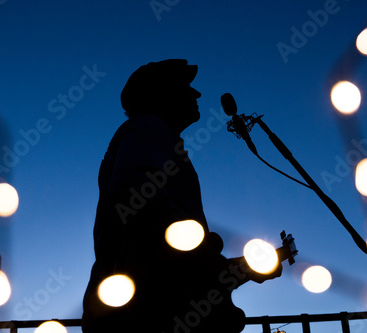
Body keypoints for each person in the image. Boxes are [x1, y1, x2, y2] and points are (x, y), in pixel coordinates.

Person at [82, 59, 282, 333]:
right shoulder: (148, 127)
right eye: (188, 87)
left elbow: (172, 250)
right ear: (165, 94)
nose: (197, 94)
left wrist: (233, 268)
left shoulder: (153, 135)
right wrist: (211, 261)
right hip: (148, 310)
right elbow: (135, 197)